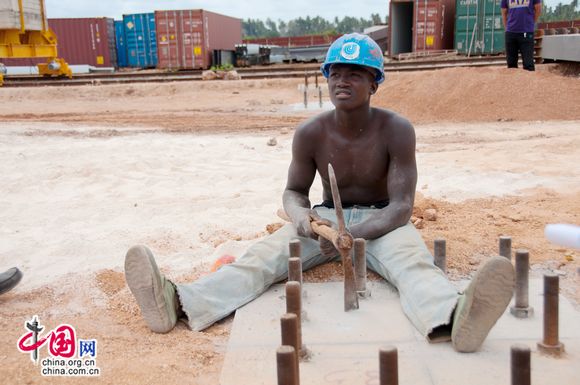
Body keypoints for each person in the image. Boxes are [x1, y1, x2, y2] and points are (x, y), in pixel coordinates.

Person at [125, 33, 515, 353]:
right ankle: (176, 302)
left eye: (355, 74)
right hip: (325, 219)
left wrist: (354, 235)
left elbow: (401, 207)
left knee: (413, 267)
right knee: (261, 258)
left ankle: (457, 317)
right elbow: (294, 192)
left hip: (383, 222)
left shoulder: (397, 129)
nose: (342, 81)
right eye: (336, 74)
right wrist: (304, 220)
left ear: (374, 82)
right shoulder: (310, 133)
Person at [501, 0, 542, 71]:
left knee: (528, 64)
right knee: (511, 65)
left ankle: (529, 81)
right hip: (511, 33)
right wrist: (507, 28)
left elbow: (538, 9)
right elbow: (504, 11)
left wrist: (531, 23)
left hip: (527, 32)